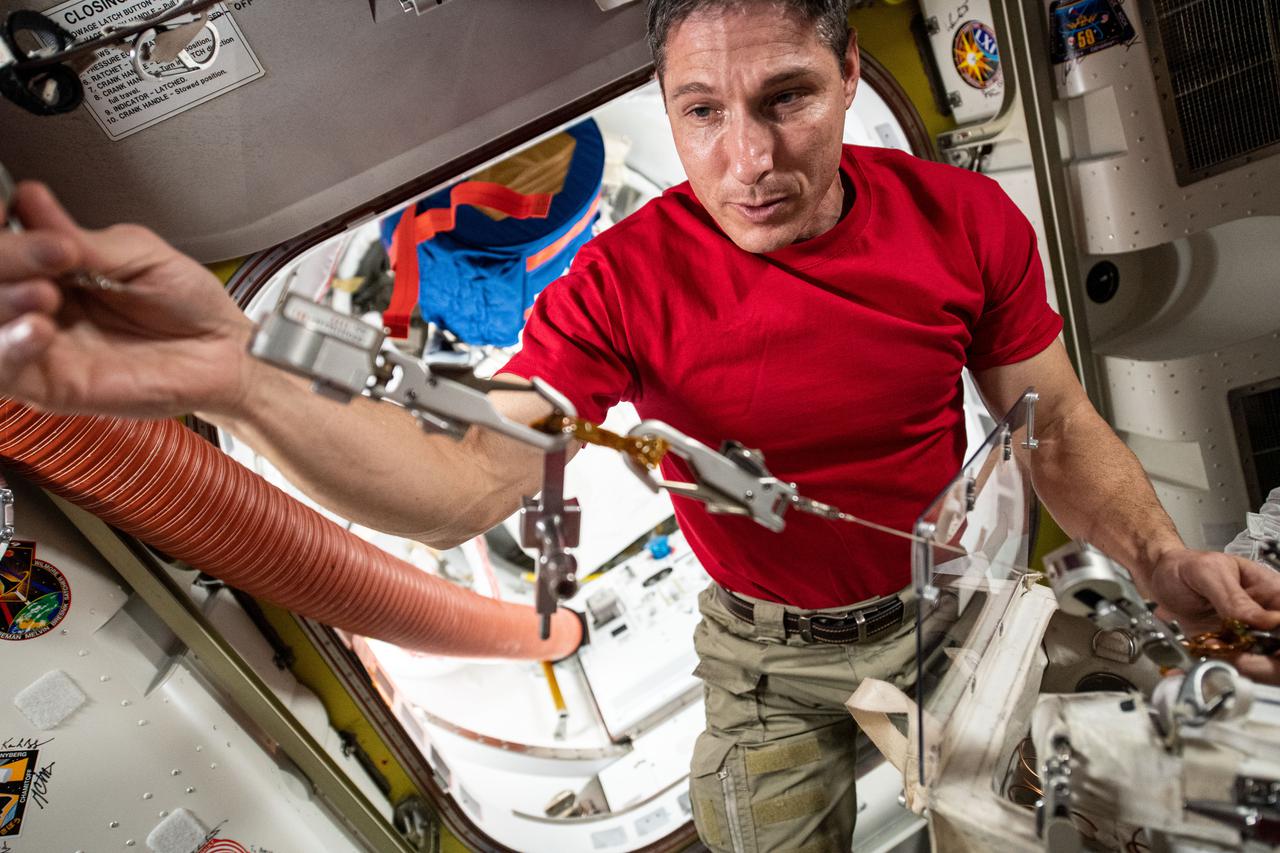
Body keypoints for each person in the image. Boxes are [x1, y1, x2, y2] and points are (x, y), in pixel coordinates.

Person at [2, 1, 1278, 849]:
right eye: (700, 112)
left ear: (846, 79)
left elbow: (1050, 425)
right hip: (763, 661)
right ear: (665, 107)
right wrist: (236, 373)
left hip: (951, 603)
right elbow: (464, 490)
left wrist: (1162, 562)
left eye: (784, 98)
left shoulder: (961, 220)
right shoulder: (614, 287)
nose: (745, 161)